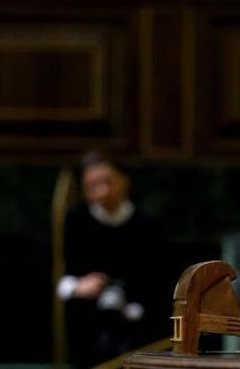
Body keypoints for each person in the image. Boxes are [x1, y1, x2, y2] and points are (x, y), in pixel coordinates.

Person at [57, 151, 168, 368]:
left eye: (109, 182)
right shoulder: (75, 222)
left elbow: (158, 279)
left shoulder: (148, 226)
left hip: (138, 324)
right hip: (89, 324)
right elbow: (64, 276)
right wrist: (79, 285)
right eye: (93, 186)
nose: (103, 192)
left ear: (124, 181)